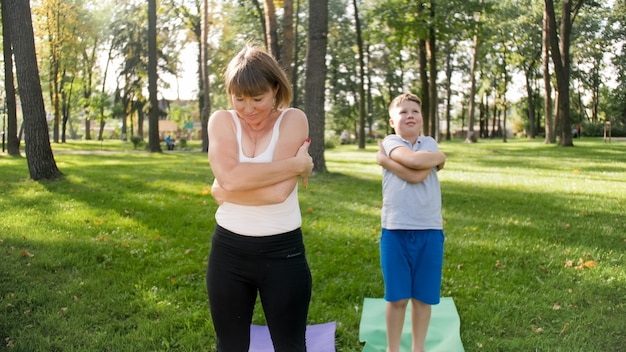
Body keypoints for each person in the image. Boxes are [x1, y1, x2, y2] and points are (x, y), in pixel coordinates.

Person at [206, 44, 314, 352]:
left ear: (275, 89)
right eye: (239, 98)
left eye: (258, 98)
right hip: (228, 252)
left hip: (283, 254)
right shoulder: (222, 121)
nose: (248, 108)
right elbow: (227, 178)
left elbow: (278, 193)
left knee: (290, 346)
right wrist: (296, 164)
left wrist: (226, 191)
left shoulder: (293, 120)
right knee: (230, 346)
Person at [376, 93, 446, 352]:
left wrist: (385, 161)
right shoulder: (391, 141)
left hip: (429, 230)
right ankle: (392, 349)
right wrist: (440, 158)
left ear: (422, 119)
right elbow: (415, 168)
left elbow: (417, 169)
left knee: (422, 299)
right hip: (395, 231)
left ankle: (419, 348)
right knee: (397, 298)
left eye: (415, 111)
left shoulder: (429, 142)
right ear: (392, 121)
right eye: (403, 112)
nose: (410, 115)